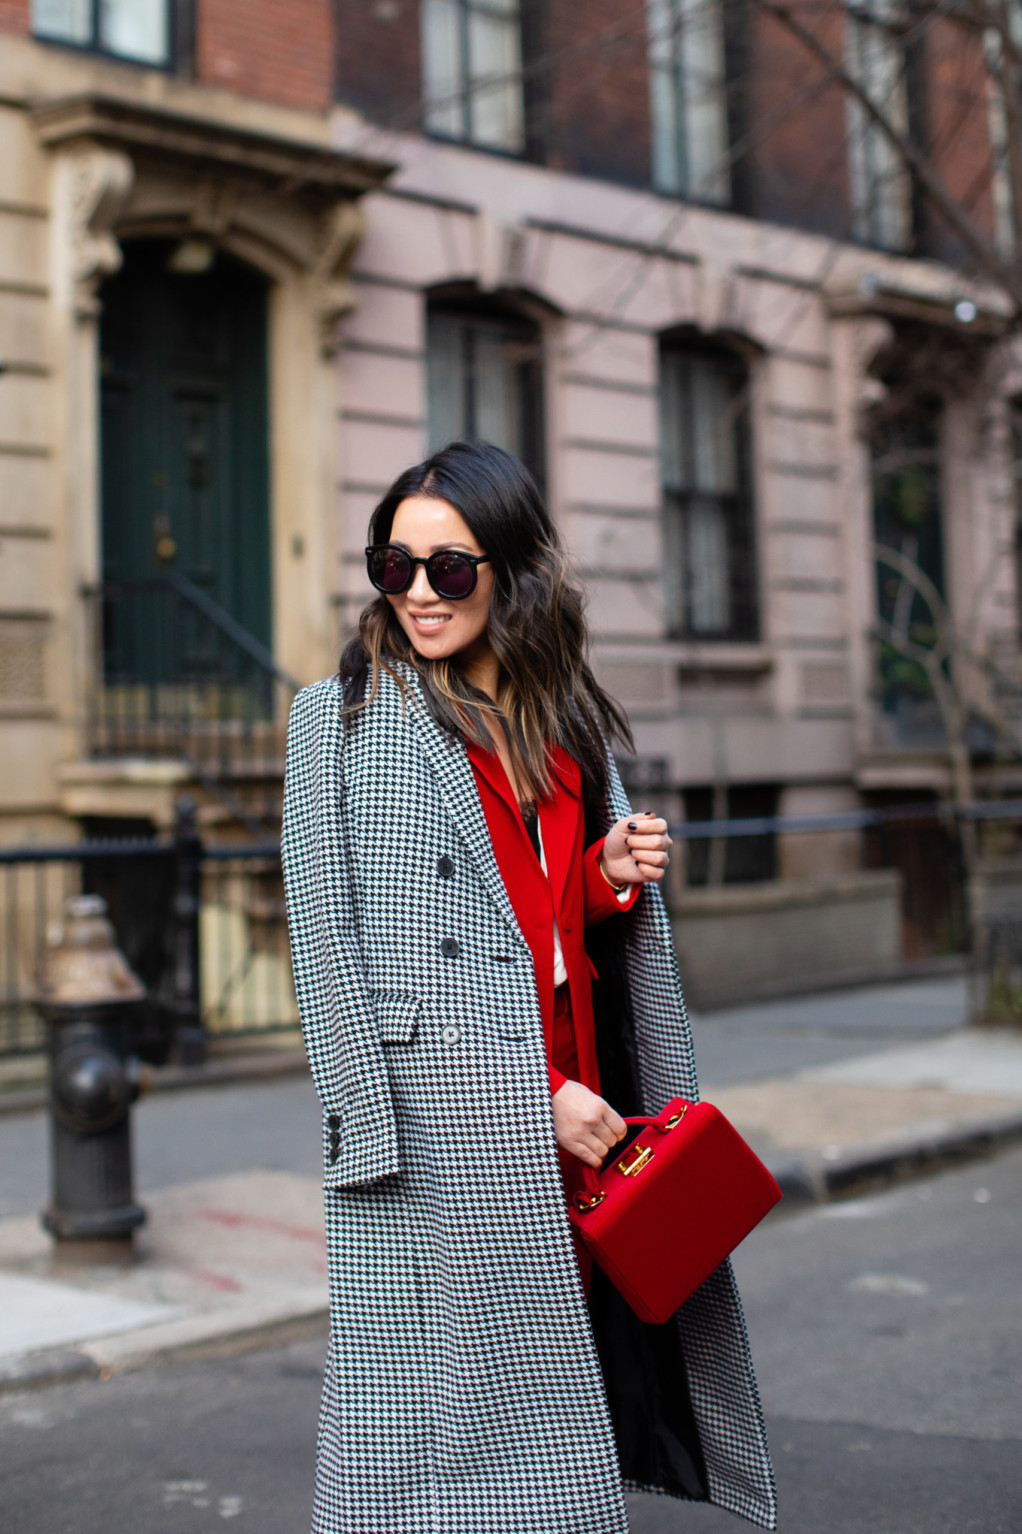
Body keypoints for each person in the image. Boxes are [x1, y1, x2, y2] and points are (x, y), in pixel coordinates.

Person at [282, 440, 776, 1534]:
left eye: (448, 569)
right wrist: (490, 1103)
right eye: (393, 565)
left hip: (578, 1082)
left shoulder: (564, 729)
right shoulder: (342, 722)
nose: (417, 592)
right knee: (437, 1436)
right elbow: (329, 951)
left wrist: (601, 879)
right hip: (444, 1124)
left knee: (562, 1397)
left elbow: (532, 920)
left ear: (510, 568)